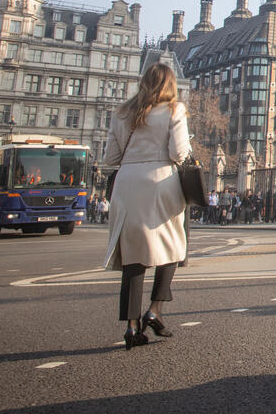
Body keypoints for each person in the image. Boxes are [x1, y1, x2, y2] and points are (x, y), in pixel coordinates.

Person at [102, 63, 191, 351]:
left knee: (133, 256)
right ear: (171, 84)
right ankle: (154, 309)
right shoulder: (174, 110)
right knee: (172, 246)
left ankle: (131, 327)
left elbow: (110, 158)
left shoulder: (121, 113)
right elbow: (178, 153)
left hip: (126, 183)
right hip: (160, 181)